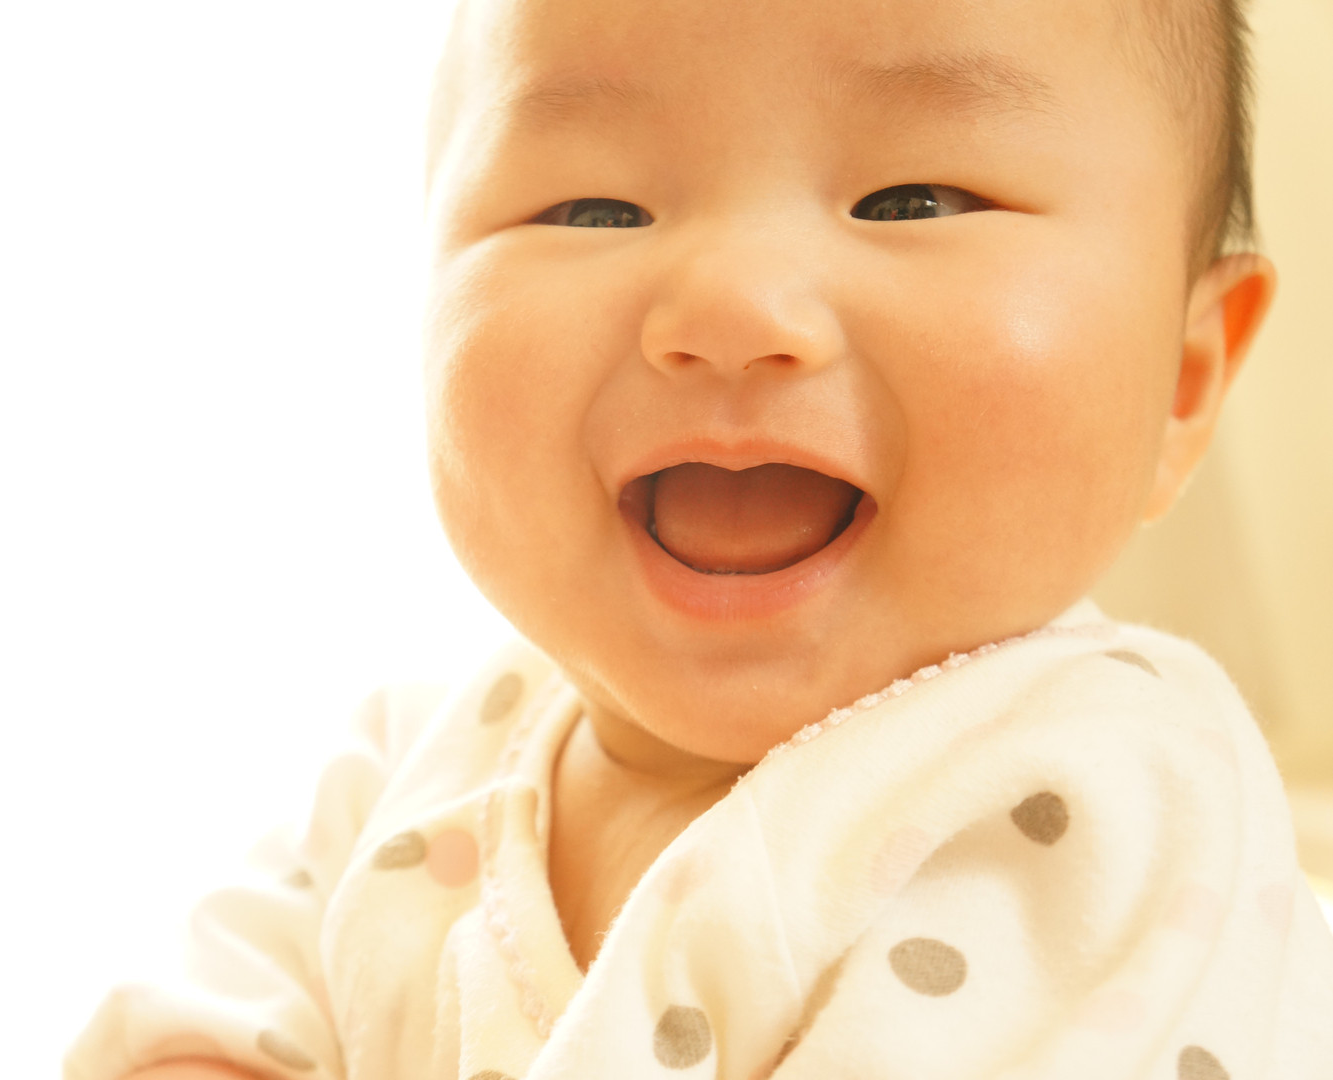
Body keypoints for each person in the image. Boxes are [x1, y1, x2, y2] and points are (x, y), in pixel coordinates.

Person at [65, 0, 1333, 1074]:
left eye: (911, 199)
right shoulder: (407, 760)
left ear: (1180, 379)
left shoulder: (1113, 791)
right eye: (592, 210)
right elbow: (198, 1030)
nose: (730, 306)